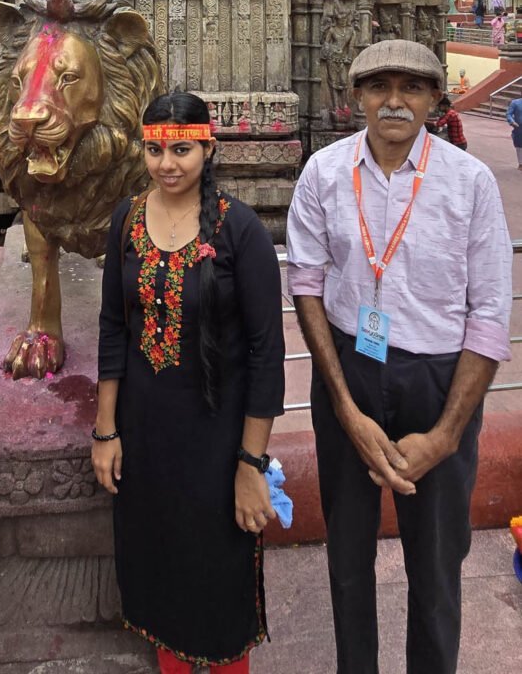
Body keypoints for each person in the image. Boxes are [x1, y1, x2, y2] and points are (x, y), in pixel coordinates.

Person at [286, 39, 512, 674]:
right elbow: (306, 285)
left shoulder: (469, 184)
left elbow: (490, 315)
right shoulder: (324, 172)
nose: (393, 101)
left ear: (435, 101)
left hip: (439, 379)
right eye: (378, 86)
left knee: (437, 568)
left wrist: (444, 436)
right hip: (350, 369)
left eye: (411, 87)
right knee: (348, 560)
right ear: (355, 97)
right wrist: (345, 409)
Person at [94, 91, 285, 672]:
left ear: (208, 147)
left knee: (218, 583)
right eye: (155, 150)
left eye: (182, 149)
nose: (167, 164)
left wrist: (251, 466)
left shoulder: (240, 230)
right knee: (157, 572)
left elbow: (265, 354)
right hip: (145, 438)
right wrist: (106, 431)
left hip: (218, 441)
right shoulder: (126, 219)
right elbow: (112, 327)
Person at [506, 92, 522, 168]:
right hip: (519, 127)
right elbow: (508, 114)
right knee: (519, 145)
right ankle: (520, 163)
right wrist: (512, 121)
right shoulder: (515, 103)